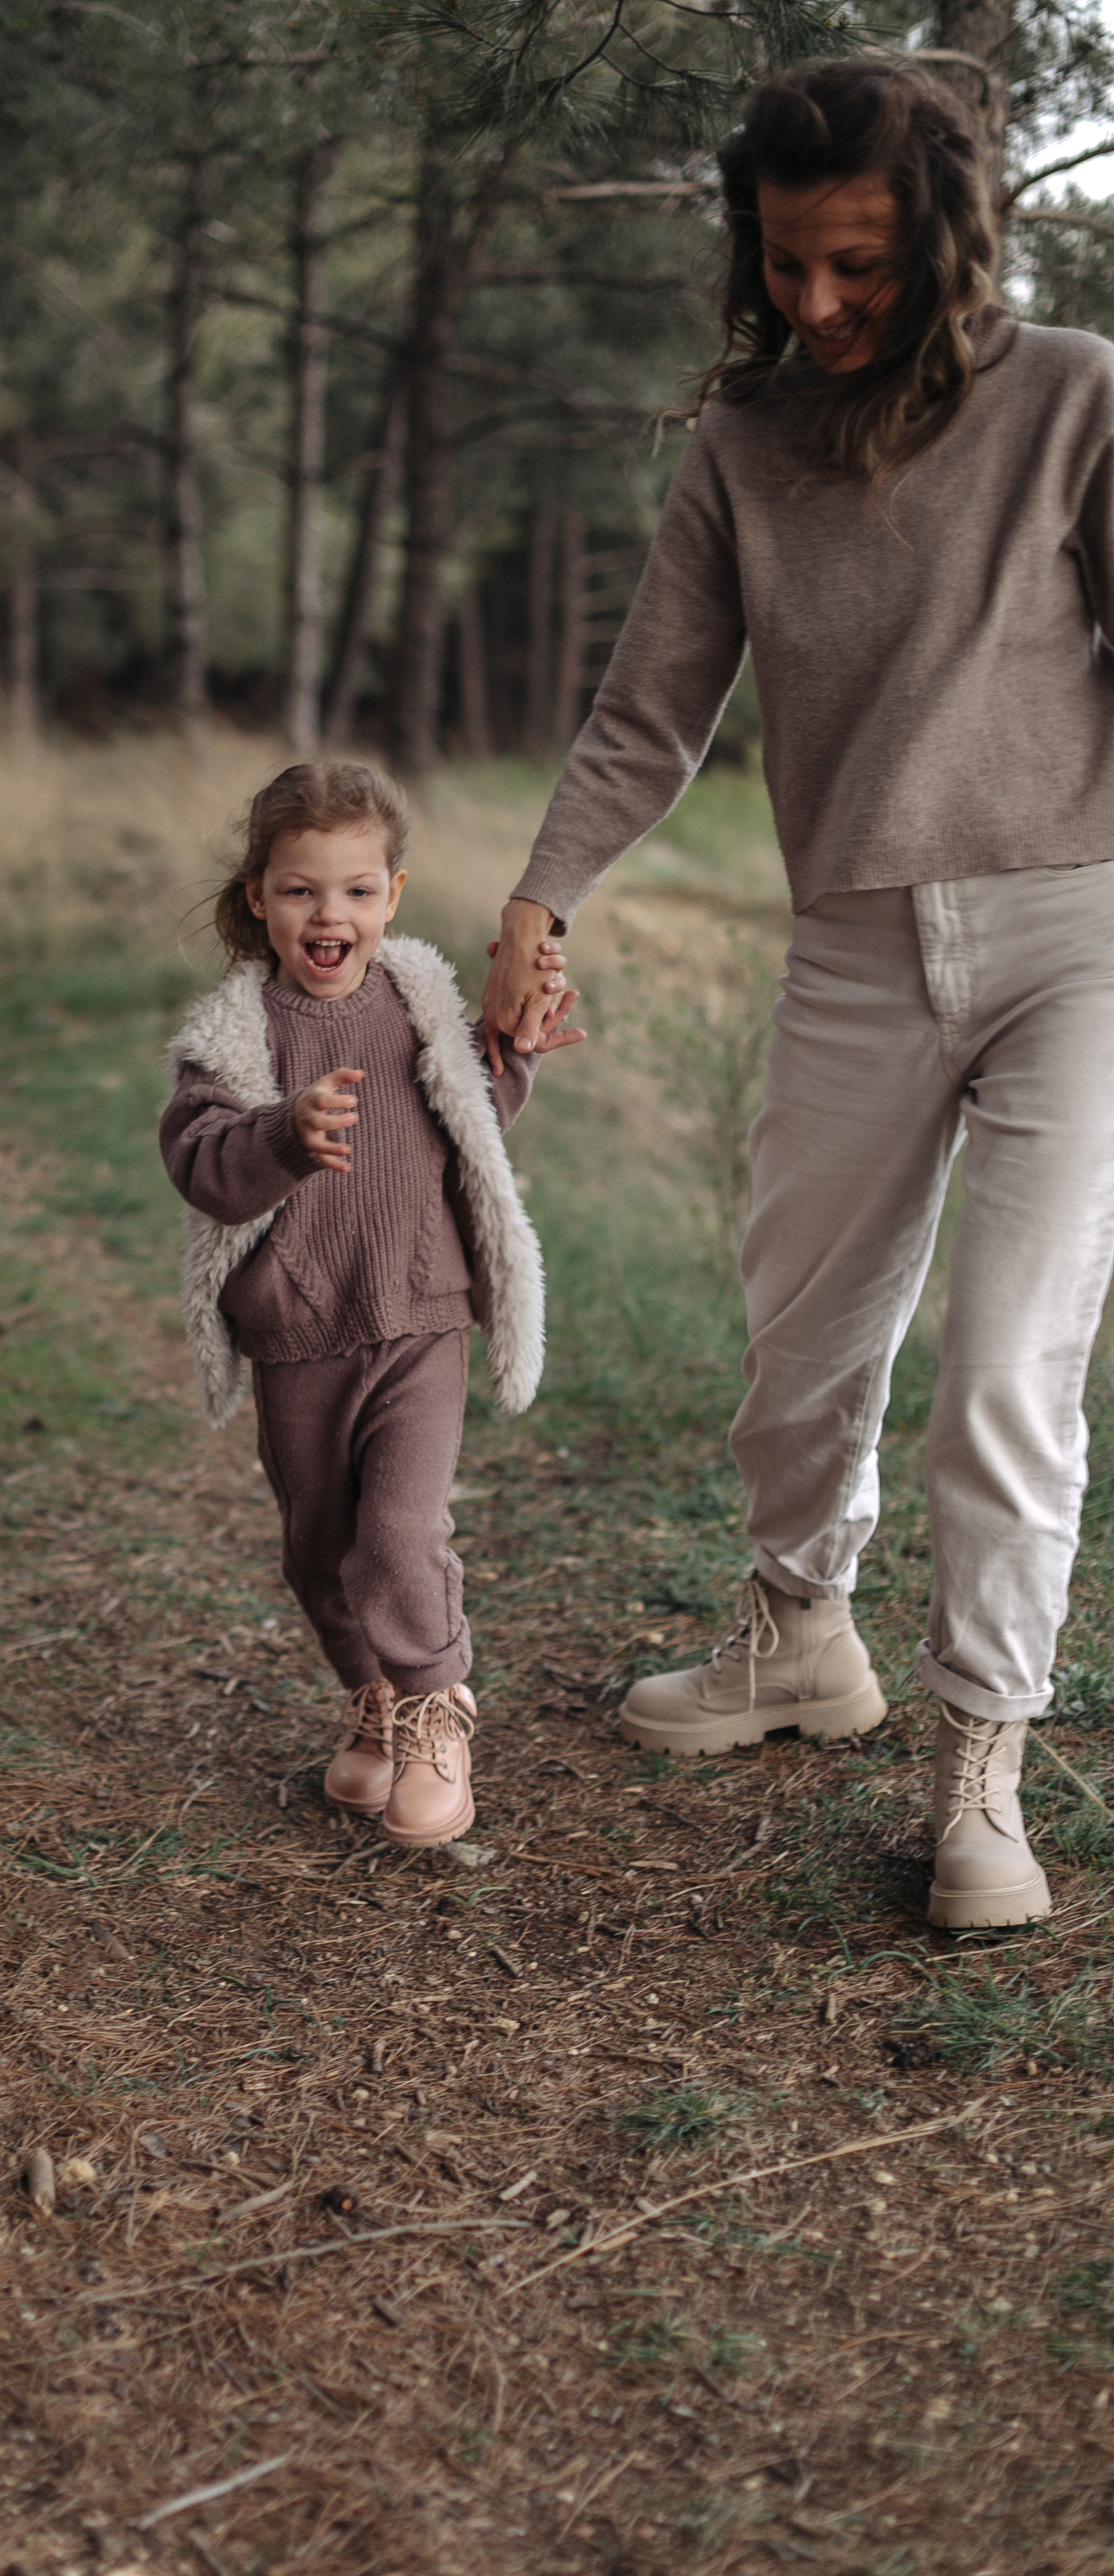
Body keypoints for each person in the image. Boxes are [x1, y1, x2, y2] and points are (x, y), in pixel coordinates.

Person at [483, 54, 1114, 1931]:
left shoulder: (1073, 397)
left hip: (1075, 931)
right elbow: (649, 709)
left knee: (1003, 1368)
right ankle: (795, 1638)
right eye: (782, 262)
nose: (817, 302)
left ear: (944, 241)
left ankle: (981, 1764)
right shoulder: (743, 445)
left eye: (859, 265)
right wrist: (539, 899)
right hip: (853, 937)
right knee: (801, 1340)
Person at [161, 760, 579, 1847]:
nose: (329, 915)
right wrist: (282, 1133)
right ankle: (376, 1695)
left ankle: (437, 1707)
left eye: (355, 890)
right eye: (300, 890)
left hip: (420, 1316)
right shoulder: (235, 1034)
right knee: (320, 1546)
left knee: (398, 1530)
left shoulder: (418, 1001)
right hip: (299, 1329)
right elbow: (204, 1166)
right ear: (258, 897)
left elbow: (470, 1115)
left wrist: (518, 1051)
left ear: (392, 897)